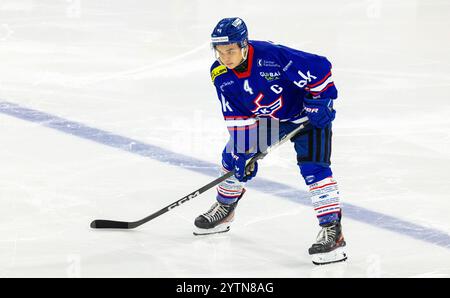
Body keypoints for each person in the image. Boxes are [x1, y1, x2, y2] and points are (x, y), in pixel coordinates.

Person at [193, 17, 346, 265]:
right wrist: (243, 151)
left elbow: (320, 67)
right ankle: (225, 208)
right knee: (232, 157)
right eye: (220, 52)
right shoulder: (220, 73)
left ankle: (333, 231)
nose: (225, 58)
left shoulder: (271, 56)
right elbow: (235, 111)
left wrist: (321, 99)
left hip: (309, 116)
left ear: (244, 45)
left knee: (314, 169)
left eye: (230, 51)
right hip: (272, 120)